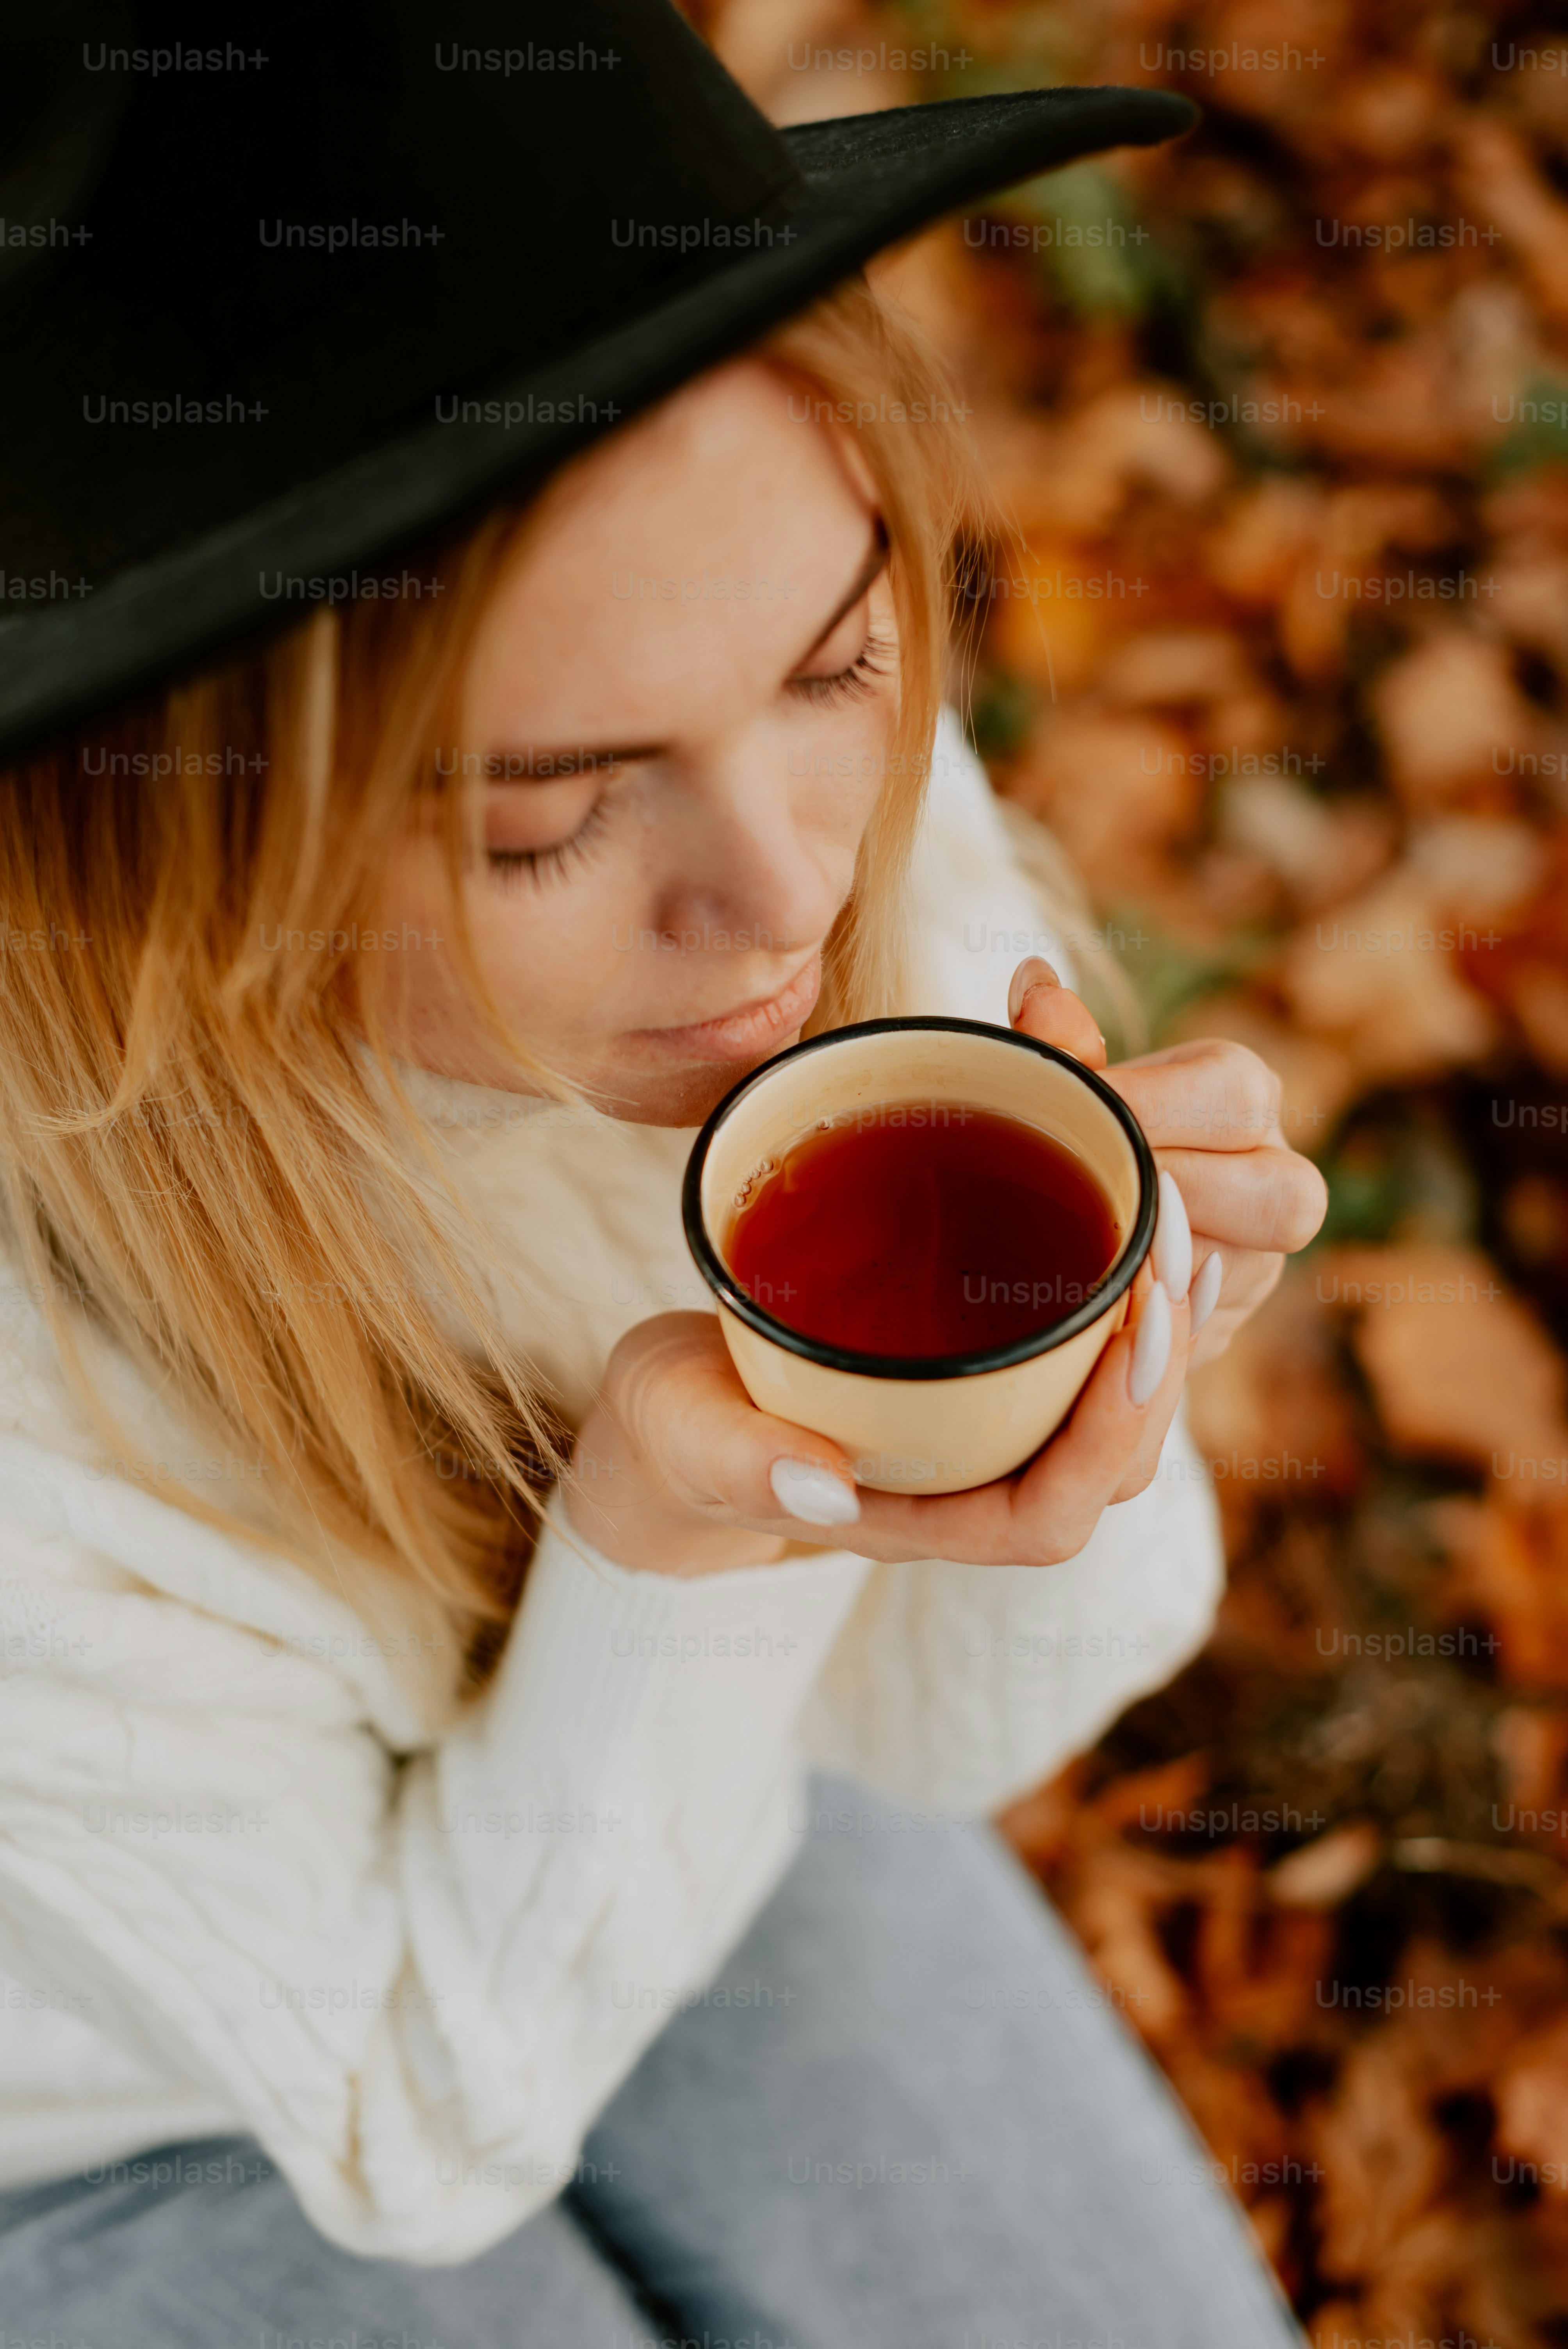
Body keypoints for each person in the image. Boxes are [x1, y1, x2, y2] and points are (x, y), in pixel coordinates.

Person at [0, 6, 1324, 2344]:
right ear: (155, 839)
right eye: (549, 816)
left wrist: (1071, 1378)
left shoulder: (789, 819)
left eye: (841, 663)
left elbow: (949, 1730)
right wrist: (666, 1540)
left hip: (654, 1789)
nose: (788, 891)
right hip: (87, 2115)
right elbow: (414, 2127)